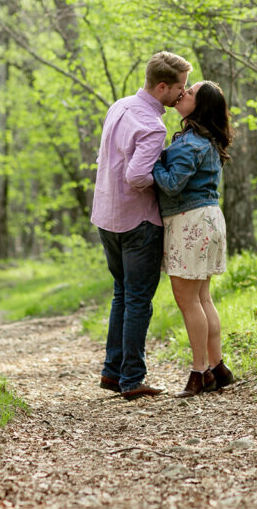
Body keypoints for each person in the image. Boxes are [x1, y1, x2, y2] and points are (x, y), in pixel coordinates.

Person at [91, 51, 192, 400]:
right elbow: (136, 176)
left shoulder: (119, 105)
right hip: (138, 222)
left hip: (107, 214)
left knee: (122, 293)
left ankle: (112, 371)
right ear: (162, 86)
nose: (184, 92)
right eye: (179, 87)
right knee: (137, 299)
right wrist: (169, 180)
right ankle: (132, 379)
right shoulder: (153, 125)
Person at [152, 81, 235, 397]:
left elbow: (172, 184)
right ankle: (218, 366)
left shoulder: (191, 144)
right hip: (207, 219)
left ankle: (200, 372)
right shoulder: (205, 140)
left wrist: (153, 161)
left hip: (191, 221)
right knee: (202, 298)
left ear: (199, 106)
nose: (182, 94)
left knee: (189, 300)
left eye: (190, 93)